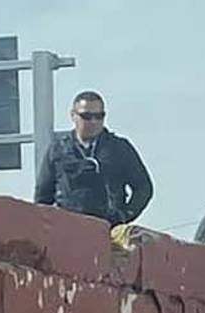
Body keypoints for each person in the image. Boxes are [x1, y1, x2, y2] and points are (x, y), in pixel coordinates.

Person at [34, 90, 153, 226]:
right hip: (68, 228)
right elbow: (42, 196)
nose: (93, 121)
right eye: (87, 116)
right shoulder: (58, 150)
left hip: (108, 227)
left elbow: (143, 187)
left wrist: (125, 215)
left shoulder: (119, 148)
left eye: (99, 116)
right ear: (73, 115)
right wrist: (48, 225)